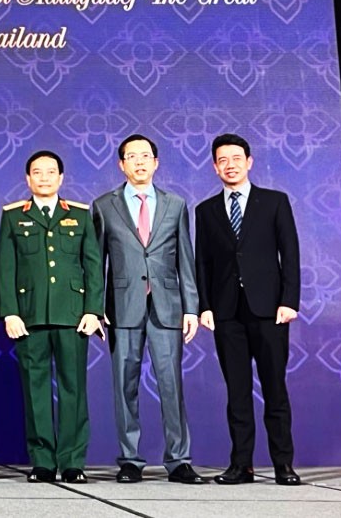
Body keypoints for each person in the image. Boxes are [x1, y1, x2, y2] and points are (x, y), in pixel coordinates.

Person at [92, 134, 203, 484]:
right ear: (121, 164)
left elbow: (186, 258)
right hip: (122, 307)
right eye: (131, 156)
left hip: (167, 306)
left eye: (145, 156)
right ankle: (129, 460)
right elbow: (97, 263)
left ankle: (179, 459)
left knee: (172, 385)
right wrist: (96, 309)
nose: (139, 162)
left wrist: (192, 307)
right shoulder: (103, 205)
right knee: (124, 386)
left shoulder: (176, 204)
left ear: (156, 162)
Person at [195, 133, 301, 486]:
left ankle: (283, 464)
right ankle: (242, 465)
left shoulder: (274, 202)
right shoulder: (205, 210)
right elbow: (203, 263)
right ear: (214, 166)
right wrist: (205, 306)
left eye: (236, 158)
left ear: (249, 161)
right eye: (222, 160)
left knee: (275, 389)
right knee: (237, 393)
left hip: (270, 310)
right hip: (226, 313)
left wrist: (289, 300)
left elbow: (291, 253)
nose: (230, 165)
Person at [0, 150, 102, 484]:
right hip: (29, 317)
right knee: (35, 390)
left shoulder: (81, 216)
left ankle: (72, 461)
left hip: (73, 316)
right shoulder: (14, 217)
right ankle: (42, 460)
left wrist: (93, 311)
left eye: (51, 172)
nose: (44, 178)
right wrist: (10, 312)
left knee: (74, 390)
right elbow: (5, 269)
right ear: (27, 179)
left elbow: (93, 267)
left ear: (61, 178)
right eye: (37, 172)